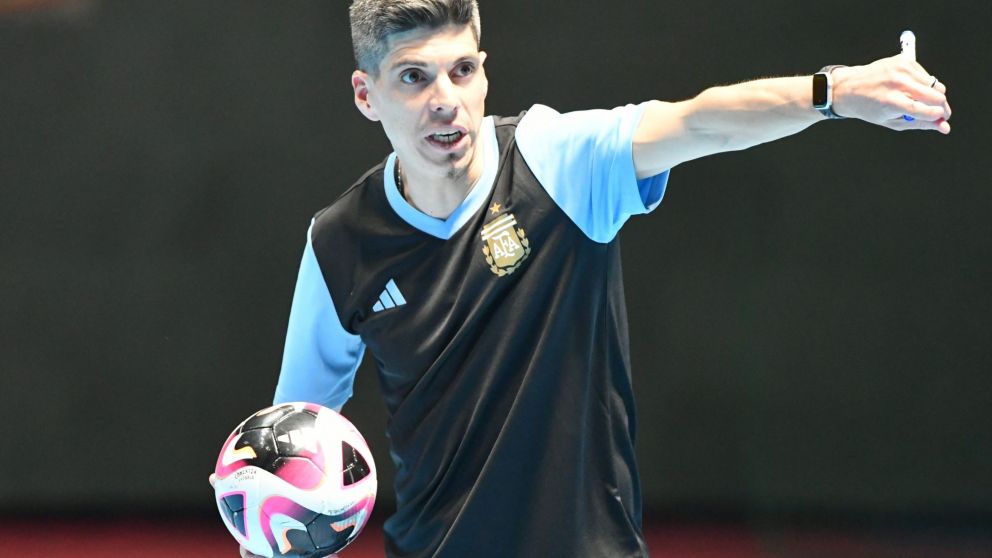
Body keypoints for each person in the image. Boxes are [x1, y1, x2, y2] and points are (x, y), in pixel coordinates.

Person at [221, 1, 951, 557]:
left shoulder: (557, 162)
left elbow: (700, 121)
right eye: (414, 77)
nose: (446, 99)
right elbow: (292, 438)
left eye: (462, 70)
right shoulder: (339, 242)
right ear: (365, 94)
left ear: (483, 72)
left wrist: (833, 91)